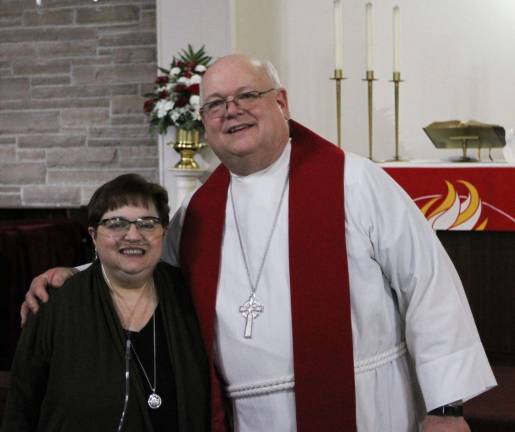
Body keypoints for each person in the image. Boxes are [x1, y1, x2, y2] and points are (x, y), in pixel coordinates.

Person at [21, 55, 496, 432]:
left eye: (248, 94)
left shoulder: (355, 181)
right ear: (204, 120)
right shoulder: (200, 213)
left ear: (282, 103)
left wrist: (447, 407)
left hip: (366, 407)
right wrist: (75, 276)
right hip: (246, 417)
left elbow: (428, 285)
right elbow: (147, 273)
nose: (232, 110)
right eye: (215, 103)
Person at [5, 174, 209, 431]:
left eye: (147, 223)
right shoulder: (54, 304)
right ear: (93, 235)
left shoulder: (189, 294)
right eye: (116, 224)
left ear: (164, 232)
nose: (133, 235)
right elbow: (21, 408)